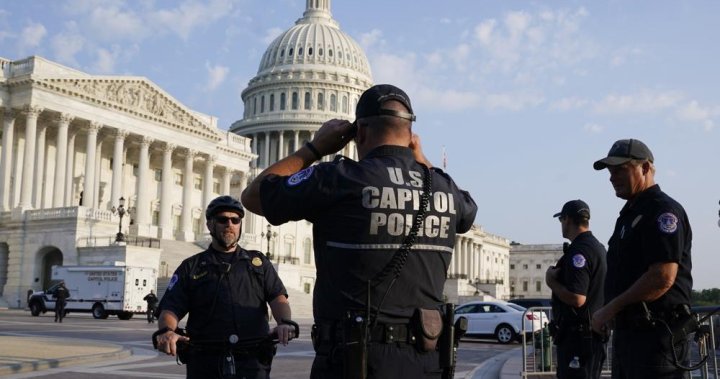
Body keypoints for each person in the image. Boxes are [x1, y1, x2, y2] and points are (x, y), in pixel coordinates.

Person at [242, 84, 478, 378]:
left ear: (360, 132)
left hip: (353, 360)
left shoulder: (339, 178)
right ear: (410, 135)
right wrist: (422, 161)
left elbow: (253, 196)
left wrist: (316, 148)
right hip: (427, 362)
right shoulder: (444, 190)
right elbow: (468, 211)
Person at [154, 195, 294, 379]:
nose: (230, 224)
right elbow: (170, 308)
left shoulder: (258, 263)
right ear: (210, 225)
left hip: (252, 361)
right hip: (205, 361)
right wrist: (167, 331)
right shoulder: (191, 266)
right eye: (222, 219)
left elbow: (278, 298)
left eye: (235, 220)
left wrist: (285, 323)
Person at [590, 139, 694, 379]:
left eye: (620, 169)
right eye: (610, 171)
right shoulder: (631, 214)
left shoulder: (662, 211)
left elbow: (662, 277)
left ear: (645, 168)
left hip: (656, 340)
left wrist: (609, 309)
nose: (611, 177)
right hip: (632, 338)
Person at [545, 200, 607, 378]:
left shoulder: (579, 251)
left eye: (561, 220)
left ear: (568, 220)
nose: (561, 225)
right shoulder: (597, 247)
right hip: (589, 336)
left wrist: (551, 282)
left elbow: (577, 298)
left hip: (579, 339)